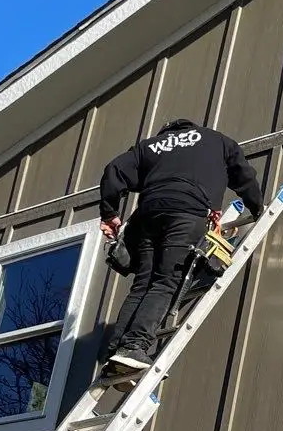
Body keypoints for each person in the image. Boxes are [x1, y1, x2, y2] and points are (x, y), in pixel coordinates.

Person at [96, 116, 264, 374]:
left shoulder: (148, 146)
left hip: (148, 217)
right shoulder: (216, 140)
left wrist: (110, 213)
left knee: (143, 283)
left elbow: (114, 171)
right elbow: (244, 174)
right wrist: (256, 207)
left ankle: (116, 349)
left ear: (167, 132)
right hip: (188, 213)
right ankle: (133, 346)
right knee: (166, 281)